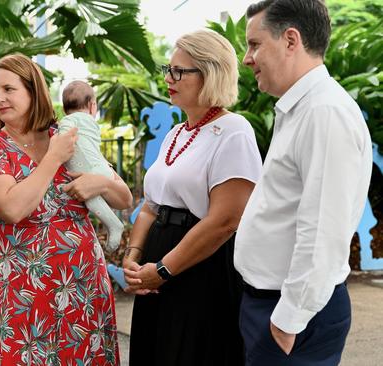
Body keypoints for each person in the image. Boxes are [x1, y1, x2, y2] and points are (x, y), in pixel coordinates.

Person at [0, 53, 132, 365]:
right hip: (24, 291)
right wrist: (53, 158)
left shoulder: (67, 137)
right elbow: (13, 208)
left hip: (83, 284)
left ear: (33, 91)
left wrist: (99, 184)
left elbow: (124, 198)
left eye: (8, 89)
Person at [235, 1, 373, 365]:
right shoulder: (302, 108)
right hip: (276, 308)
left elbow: (322, 233)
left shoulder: (323, 113)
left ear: (291, 40)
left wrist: (285, 324)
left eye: (254, 44)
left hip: (293, 319)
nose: (247, 58)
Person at [122, 29, 262, 365]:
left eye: (179, 71)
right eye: (168, 69)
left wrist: (165, 269)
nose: (169, 78)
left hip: (201, 268)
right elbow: (150, 205)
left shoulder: (234, 131)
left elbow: (225, 221)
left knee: (192, 352)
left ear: (211, 73)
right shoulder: (175, 133)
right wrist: (134, 256)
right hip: (157, 264)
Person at [58, 80, 125, 251]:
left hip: (89, 169)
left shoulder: (68, 122)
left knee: (90, 198)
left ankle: (114, 225)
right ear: (92, 105)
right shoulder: (91, 123)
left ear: (65, 108)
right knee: (92, 197)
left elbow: (64, 139)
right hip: (101, 167)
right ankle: (114, 224)